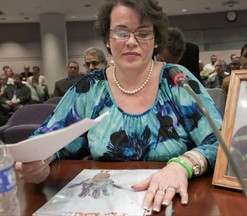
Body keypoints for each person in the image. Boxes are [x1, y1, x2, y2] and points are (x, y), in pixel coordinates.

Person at [15, 0, 222, 213]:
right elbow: (47, 139)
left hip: (172, 203)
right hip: (101, 205)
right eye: (121, 32)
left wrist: (183, 165)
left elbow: (220, 140)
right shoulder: (90, 88)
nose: (132, 41)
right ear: (107, 38)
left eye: (142, 32)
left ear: (156, 39)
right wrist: (38, 161)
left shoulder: (176, 80)